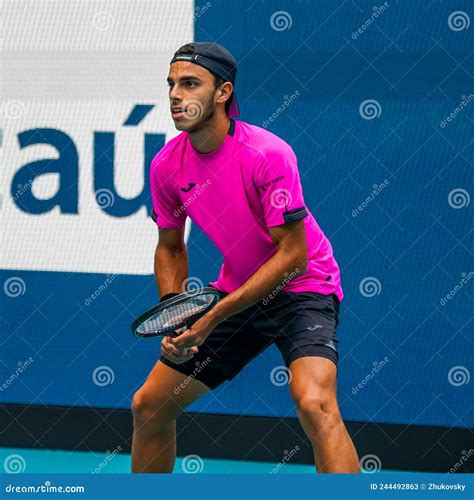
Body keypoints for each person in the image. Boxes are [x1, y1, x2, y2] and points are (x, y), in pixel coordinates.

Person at [131, 42, 359, 473]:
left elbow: (293, 257)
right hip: (238, 288)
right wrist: (174, 311)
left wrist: (212, 317)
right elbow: (171, 246)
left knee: (315, 404)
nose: (176, 95)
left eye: (190, 84)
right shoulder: (166, 166)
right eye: (171, 85)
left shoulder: (267, 154)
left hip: (304, 288)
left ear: (222, 92)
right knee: (149, 406)